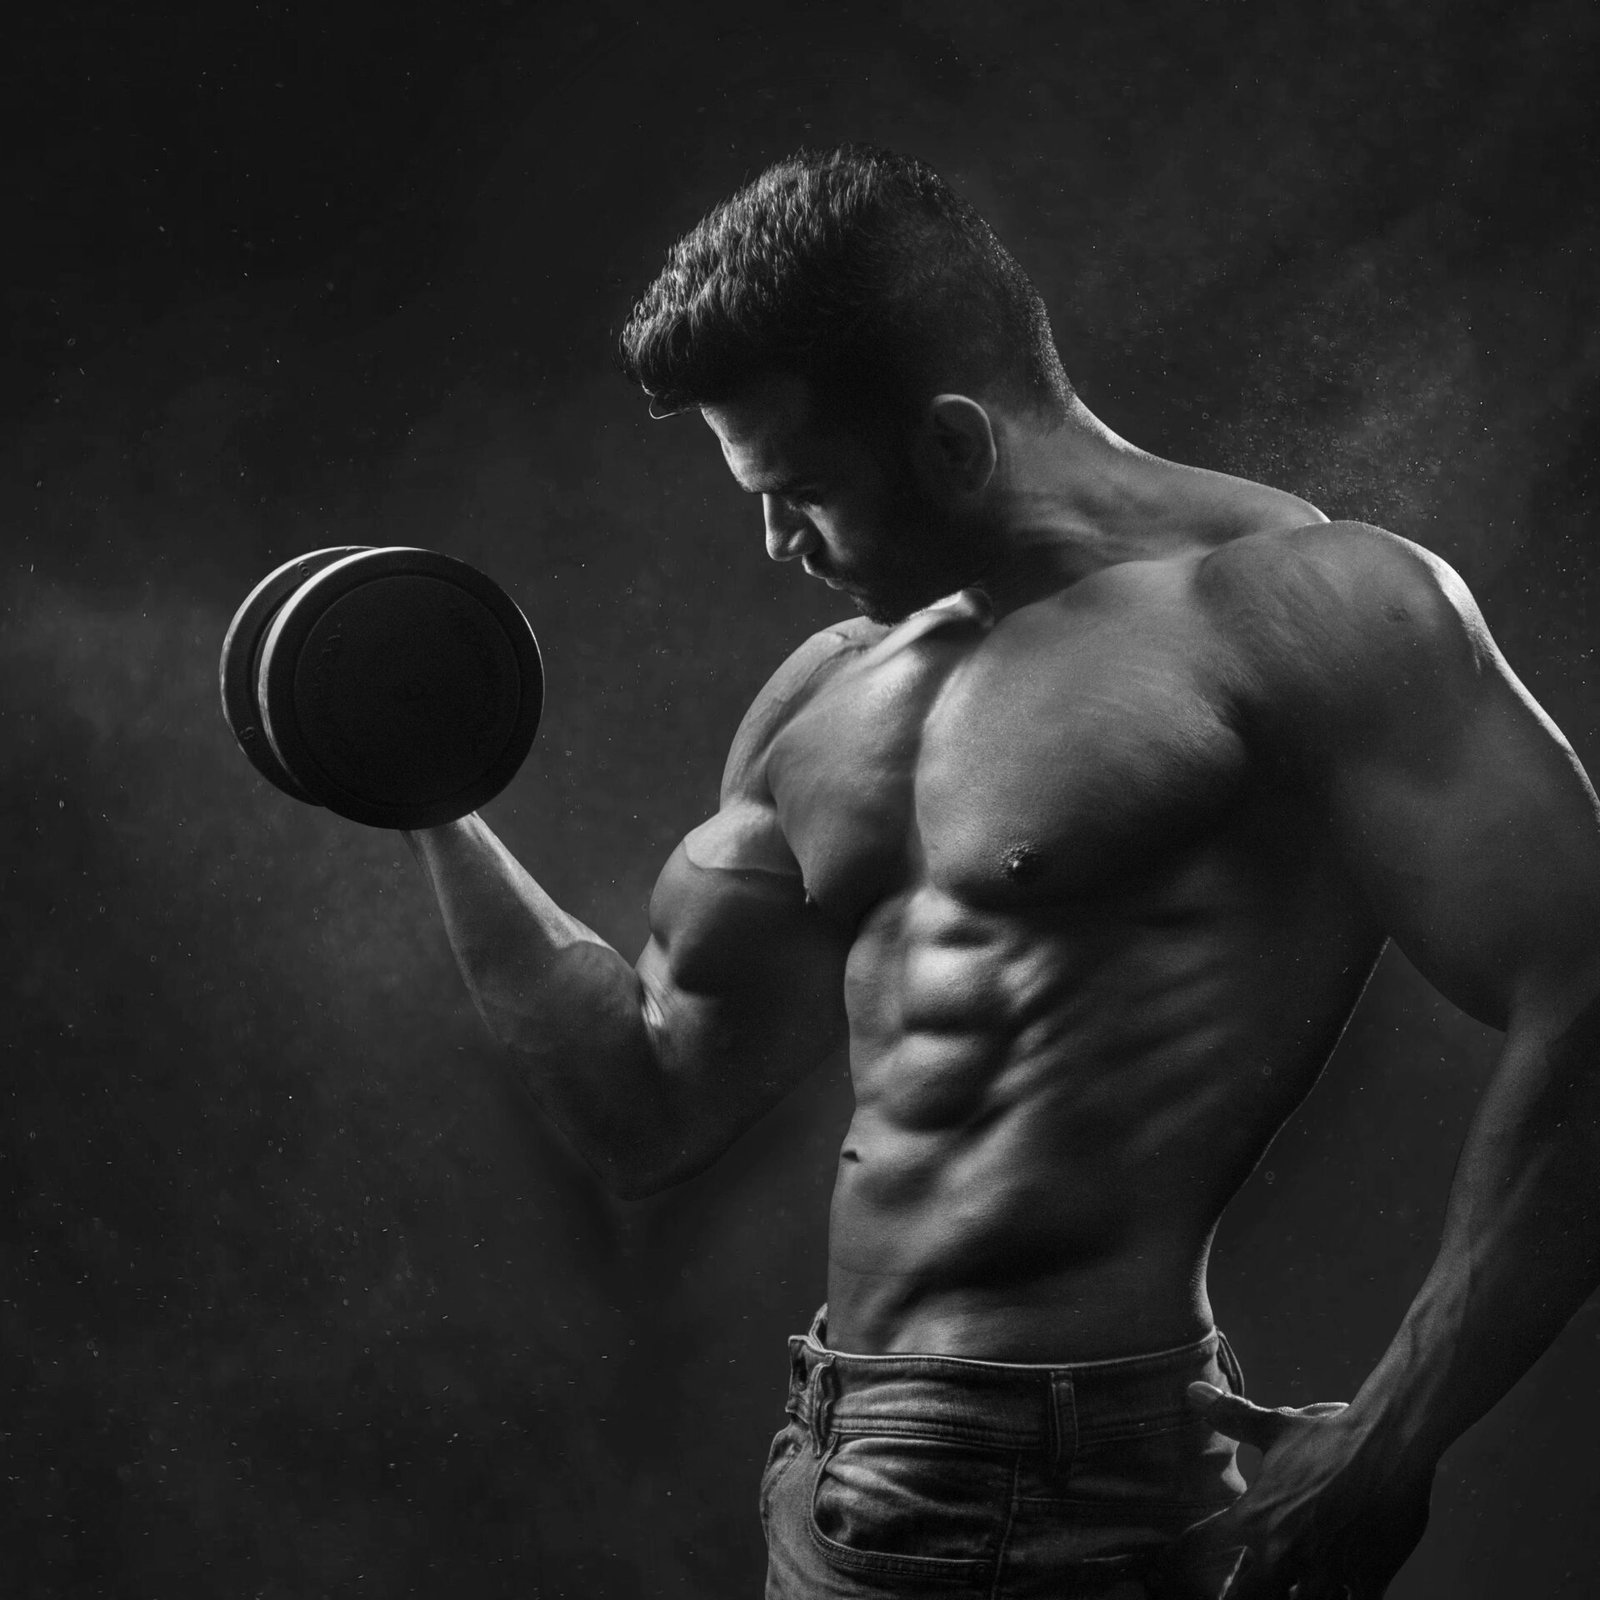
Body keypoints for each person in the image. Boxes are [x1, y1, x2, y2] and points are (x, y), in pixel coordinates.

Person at [403, 146, 1600, 1597]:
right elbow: (645, 1110)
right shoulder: (826, 692)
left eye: (804, 492)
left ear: (958, 444)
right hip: (828, 1464)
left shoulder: (1296, 613)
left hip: (1067, 1495)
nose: (775, 543)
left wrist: (1398, 1433)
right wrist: (431, 805)